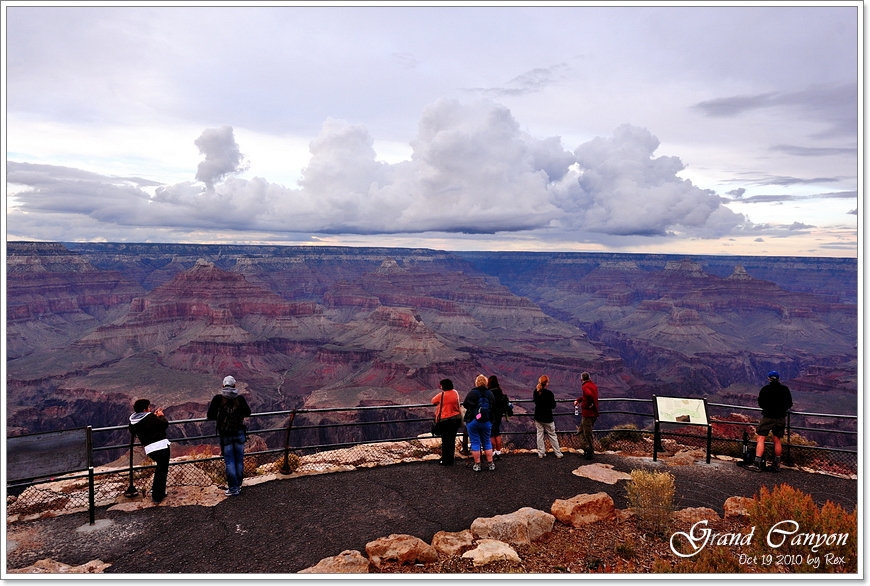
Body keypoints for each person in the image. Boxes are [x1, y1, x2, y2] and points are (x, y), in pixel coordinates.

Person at [207, 376, 252, 496]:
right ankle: (238, 484)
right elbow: (248, 412)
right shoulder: (240, 398)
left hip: (225, 434)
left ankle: (233, 488)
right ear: (234, 386)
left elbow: (210, 415)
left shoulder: (218, 399)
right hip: (239, 433)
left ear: (223, 386)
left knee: (230, 461)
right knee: (239, 459)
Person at [746, 371, 793, 473]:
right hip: (780, 418)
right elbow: (789, 403)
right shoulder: (785, 389)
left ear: (769, 379)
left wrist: (769, 409)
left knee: (761, 438)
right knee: (777, 440)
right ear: (778, 378)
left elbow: (761, 403)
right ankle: (776, 464)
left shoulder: (765, 389)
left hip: (768, 417)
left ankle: (757, 464)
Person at [128, 399, 170, 504]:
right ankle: (158, 495)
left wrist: (153, 417)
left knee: (160, 469)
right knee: (162, 471)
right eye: (148, 407)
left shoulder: (133, 421)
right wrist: (160, 415)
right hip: (161, 447)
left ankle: (158, 491)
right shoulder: (150, 417)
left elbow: (135, 430)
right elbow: (164, 424)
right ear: (144, 409)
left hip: (150, 449)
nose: (150, 409)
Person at [463, 374, 497, 472]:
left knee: (475, 442)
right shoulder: (490, 394)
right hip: (487, 421)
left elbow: (465, 404)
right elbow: (493, 406)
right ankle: (490, 463)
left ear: (476, 382)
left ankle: (477, 465)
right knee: (486, 441)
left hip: (473, 421)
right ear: (486, 383)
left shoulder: (472, 393)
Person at [431, 379, 463, 465]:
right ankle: (450, 459)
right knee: (451, 440)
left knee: (445, 441)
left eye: (441, 385)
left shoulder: (441, 395)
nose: (440, 387)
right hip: (455, 419)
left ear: (443, 386)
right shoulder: (455, 392)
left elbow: (433, 401)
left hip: (445, 420)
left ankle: (445, 460)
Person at [533, 375, 563, 458]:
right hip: (547, 417)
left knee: (539, 434)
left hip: (538, 416)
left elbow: (536, 402)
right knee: (552, 435)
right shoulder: (549, 394)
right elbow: (553, 405)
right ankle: (558, 453)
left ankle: (541, 453)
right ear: (546, 383)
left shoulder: (536, 391)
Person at [574, 372, 599, 460]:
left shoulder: (585, 386)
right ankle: (587, 448)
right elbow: (587, 396)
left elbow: (588, 395)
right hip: (593, 413)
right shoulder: (593, 385)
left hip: (588, 414)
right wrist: (579, 400)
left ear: (582, 379)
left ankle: (589, 452)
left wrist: (587, 405)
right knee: (580, 431)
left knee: (587, 434)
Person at [487, 375, 510, 460]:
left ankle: (492, 452)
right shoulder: (500, 392)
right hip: (498, 415)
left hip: (490, 415)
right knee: (497, 433)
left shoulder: (488, 393)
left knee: (491, 434)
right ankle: (498, 452)